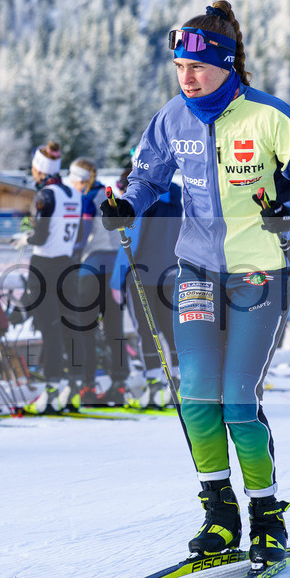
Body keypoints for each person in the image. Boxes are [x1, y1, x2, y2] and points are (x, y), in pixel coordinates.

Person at [101, 1, 290, 564]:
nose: (186, 77)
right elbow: (146, 177)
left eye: (198, 68)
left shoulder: (269, 116)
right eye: (179, 66)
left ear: (227, 65)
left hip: (259, 270)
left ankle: (267, 516)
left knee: (237, 401)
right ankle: (220, 513)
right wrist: (124, 204)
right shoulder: (171, 118)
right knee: (196, 399)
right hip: (197, 270)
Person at [18, 141, 82, 415]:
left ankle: (52, 390)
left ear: (40, 168)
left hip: (44, 266)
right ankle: (73, 387)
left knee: (49, 329)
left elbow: (40, 235)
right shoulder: (74, 193)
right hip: (68, 265)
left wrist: (25, 237)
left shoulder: (46, 195)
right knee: (68, 328)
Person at [113, 173, 183, 409]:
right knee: (171, 331)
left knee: (147, 331)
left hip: (141, 273)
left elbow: (130, 240)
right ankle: (179, 384)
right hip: (170, 271)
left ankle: (154, 388)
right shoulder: (175, 193)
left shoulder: (142, 196)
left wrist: (116, 280)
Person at [64, 158, 130, 407]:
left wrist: (69, 254)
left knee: (86, 331)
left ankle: (88, 385)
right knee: (115, 332)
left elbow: (81, 234)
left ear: (79, 179)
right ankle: (119, 385)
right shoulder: (109, 194)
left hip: (90, 269)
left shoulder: (85, 198)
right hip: (114, 269)